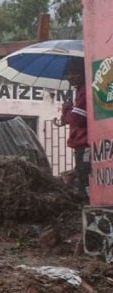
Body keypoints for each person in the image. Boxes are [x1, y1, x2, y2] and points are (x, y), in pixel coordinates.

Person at [61, 60, 89, 196]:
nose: (70, 77)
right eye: (68, 73)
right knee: (82, 175)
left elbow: (77, 120)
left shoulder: (84, 92)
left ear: (83, 74)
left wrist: (66, 110)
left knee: (85, 182)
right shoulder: (80, 91)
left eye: (74, 73)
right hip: (81, 145)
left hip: (85, 143)